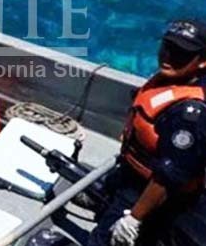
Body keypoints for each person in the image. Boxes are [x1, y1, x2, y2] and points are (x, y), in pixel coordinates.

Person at [88, 20, 206, 246]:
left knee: (102, 240)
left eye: (181, 54)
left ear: (202, 61)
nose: (168, 57)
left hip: (149, 190)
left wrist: (134, 218)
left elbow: (170, 176)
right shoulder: (172, 78)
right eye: (167, 47)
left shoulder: (190, 114)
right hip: (130, 172)